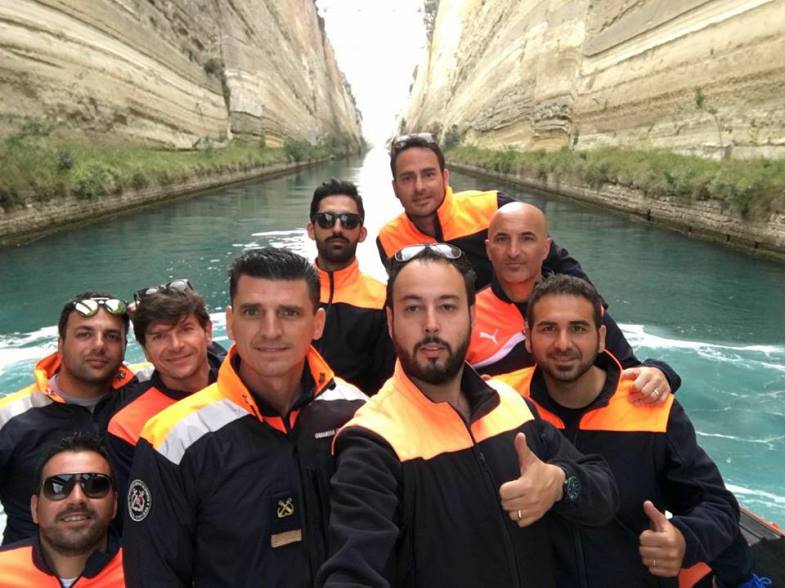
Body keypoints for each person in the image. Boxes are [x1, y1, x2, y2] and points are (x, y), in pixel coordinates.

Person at [317, 243, 618, 588]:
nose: (431, 325)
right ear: (390, 321)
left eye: (447, 307)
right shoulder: (373, 441)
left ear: (473, 316)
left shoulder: (510, 405)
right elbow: (355, 567)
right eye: (413, 308)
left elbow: (603, 490)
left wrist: (560, 483)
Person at [495, 275, 761, 588]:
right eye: (548, 329)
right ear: (527, 337)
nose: (563, 343)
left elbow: (717, 504)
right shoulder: (500, 402)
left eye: (578, 329)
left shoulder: (649, 408)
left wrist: (683, 539)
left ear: (601, 337)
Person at [123, 248, 367, 587]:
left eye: (290, 312)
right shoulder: (174, 439)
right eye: (252, 312)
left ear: (317, 323)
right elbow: (153, 574)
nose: (270, 331)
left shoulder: (355, 413)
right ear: (230, 322)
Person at [467, 201, 681, 399]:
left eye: (527, 238)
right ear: (488, 249)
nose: (513, 252)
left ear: (546, 249)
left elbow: (630, 369)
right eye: (502, 239)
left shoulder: (581, 305)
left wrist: (659, 373)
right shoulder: (468, 316)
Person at [0, 292, 135, 544]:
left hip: (130, 562)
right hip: (31, 564)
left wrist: (155, 320)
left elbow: (204, 375)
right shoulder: (10, 418)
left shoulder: (144, 391)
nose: (99, 345)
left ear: (126, 347)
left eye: (112, 336)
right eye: (84, 334)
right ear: (60, 344)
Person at [377, 132, 586, 288]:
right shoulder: (389, 239)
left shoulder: (493, 207)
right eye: (407, 178)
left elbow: (558, 261)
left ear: (445, 178)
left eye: (429, 175)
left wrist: (595, 310)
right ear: (395, 188)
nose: (420, 187)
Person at [106, 279, 225, 506]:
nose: (176, 345)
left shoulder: (250, 387)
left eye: (186, 330)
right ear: (145, 350)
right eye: (159, 336)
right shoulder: (127, 426)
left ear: (207, 332)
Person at [0, 432, 124, 587]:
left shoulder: (143, 571)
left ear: (115, 503)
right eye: (57, 487)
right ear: (35, 507)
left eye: (95, 485)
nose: (77, 498)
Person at [307, 178, 394, 394]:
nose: (337, 228)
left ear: (361, 233)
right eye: (326, 219)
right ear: (311, 230)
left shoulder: (383, 300)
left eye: (348, 221)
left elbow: (389, 380)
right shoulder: (288, 294)